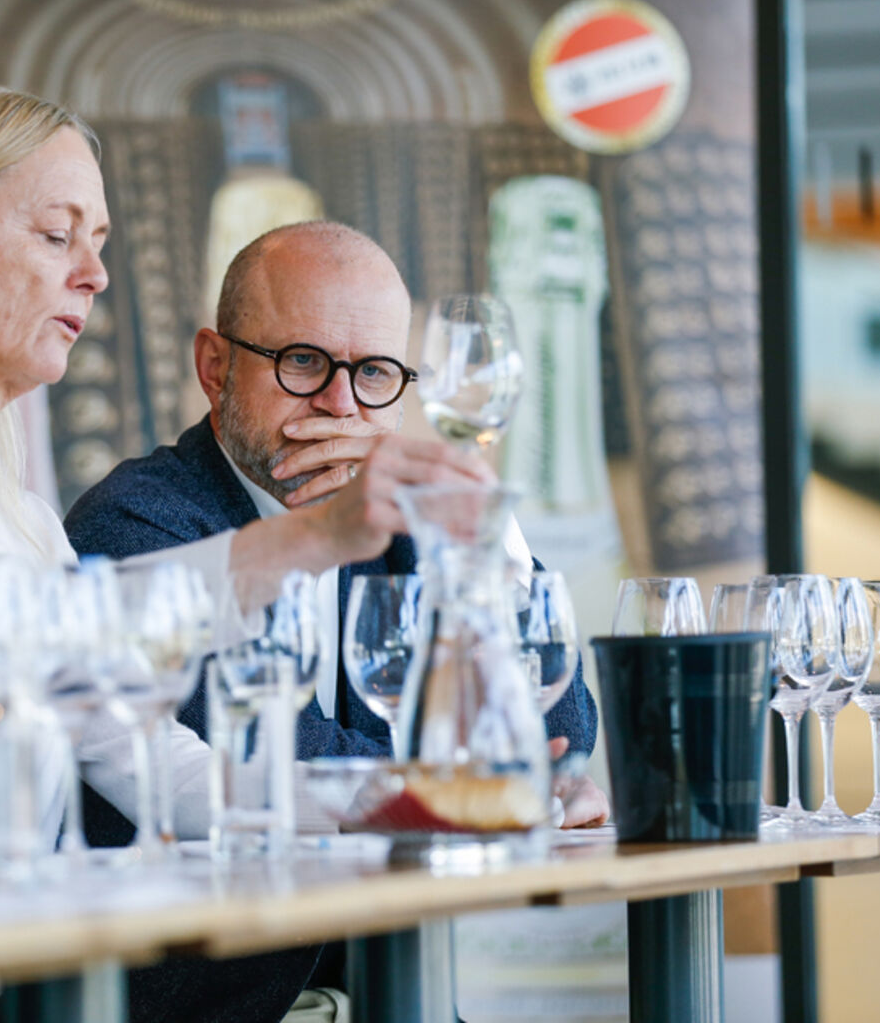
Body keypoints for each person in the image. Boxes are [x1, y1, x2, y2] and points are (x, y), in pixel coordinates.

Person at [0, 87, 490, 1023]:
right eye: (56, 235)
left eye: (100, 242)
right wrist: (312, 538)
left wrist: (412, 800)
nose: (94, 275)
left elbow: (153, 761)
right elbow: (14, 625)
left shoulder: (18, 513)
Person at [65, 221, 609, 828]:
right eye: (302, 361)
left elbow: (560, 736)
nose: (342, 404)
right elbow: (282, 757)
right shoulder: (136, 524)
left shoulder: (412, 527)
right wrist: (492, 787)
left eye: (374, 372)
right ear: (215, 368)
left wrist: (484, 528)